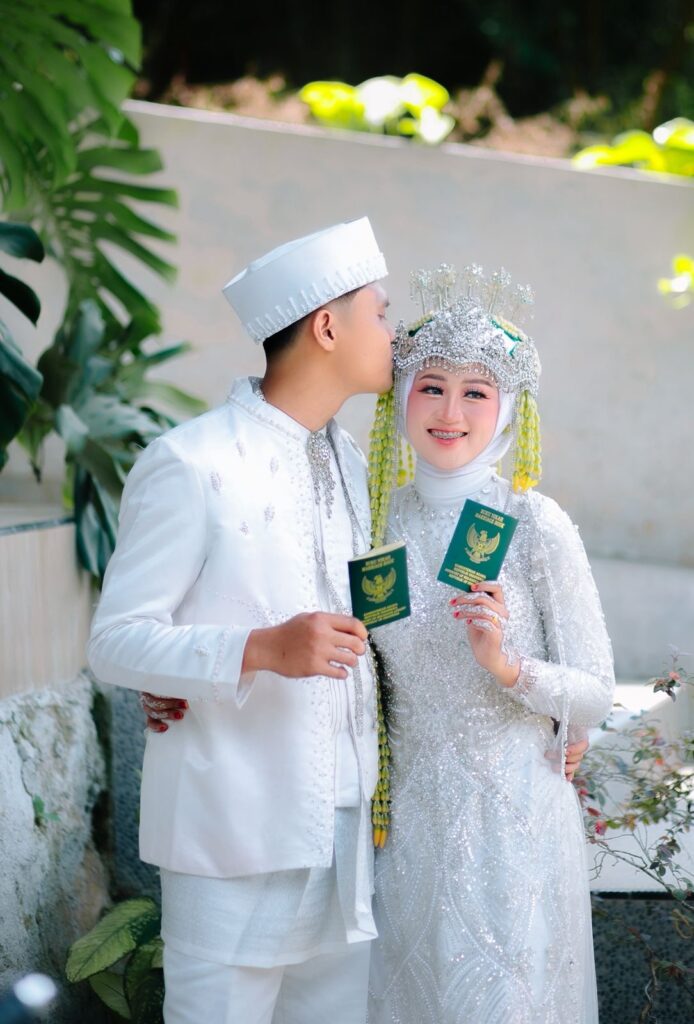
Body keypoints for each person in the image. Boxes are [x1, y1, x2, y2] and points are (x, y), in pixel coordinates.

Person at [87, 217, 395, 1024]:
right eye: (381, 312)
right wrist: (260, 649)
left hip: (343, 837)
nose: (392, 333)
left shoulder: (347, 461)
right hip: (233, 831)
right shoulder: (192, 462)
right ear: (327, 327)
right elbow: (115, 640)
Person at [364, 263, 615, 1023]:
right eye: (431, 386)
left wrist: (508, 667)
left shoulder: (533, 523)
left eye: (476, 392)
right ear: (400, 396)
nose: (450, 411)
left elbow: (595, 693)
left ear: (508, 410)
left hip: (515, 831)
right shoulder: (372, 521)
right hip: (406, 832)